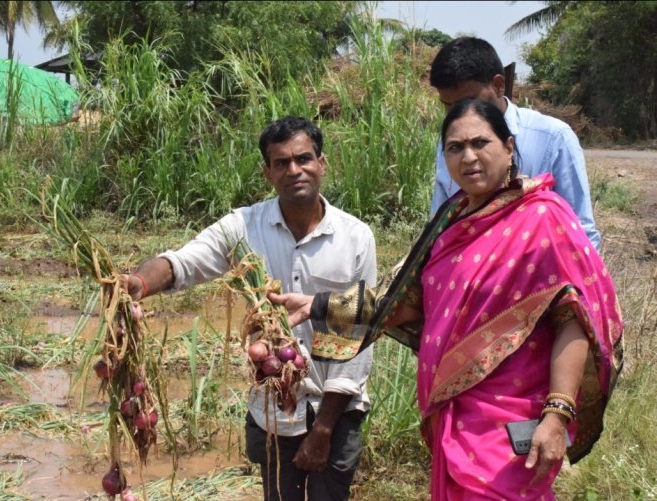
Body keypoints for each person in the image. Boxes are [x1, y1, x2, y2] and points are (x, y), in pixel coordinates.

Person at [271, 100, 624, 499]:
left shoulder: (543, 218)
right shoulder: (450, 222)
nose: (468, 157)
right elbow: (402, 304)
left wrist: (557, 415)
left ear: (508, 147)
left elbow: (573, 318)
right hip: (454, 413)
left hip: (512, 416)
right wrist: (317, 305)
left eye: (480, 143)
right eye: (455, 147)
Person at [124, 116, 377, 501]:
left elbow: (357, 332)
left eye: (304, 159)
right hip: (274, 408)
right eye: (281, 163)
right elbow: (183, 263)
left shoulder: (355, 237)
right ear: (267, 173)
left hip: (335, 408)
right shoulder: (242, 227)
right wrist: (139, 284)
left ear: (321, 163)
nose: (294, 170)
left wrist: (324, 428)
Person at [429, 36, 602, 250]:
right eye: (448, 105)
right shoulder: (450, 142)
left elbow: (582, 233)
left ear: (499, 85)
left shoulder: (553, 138)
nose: (458, 114)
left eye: (467, 101)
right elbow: (440, 227)